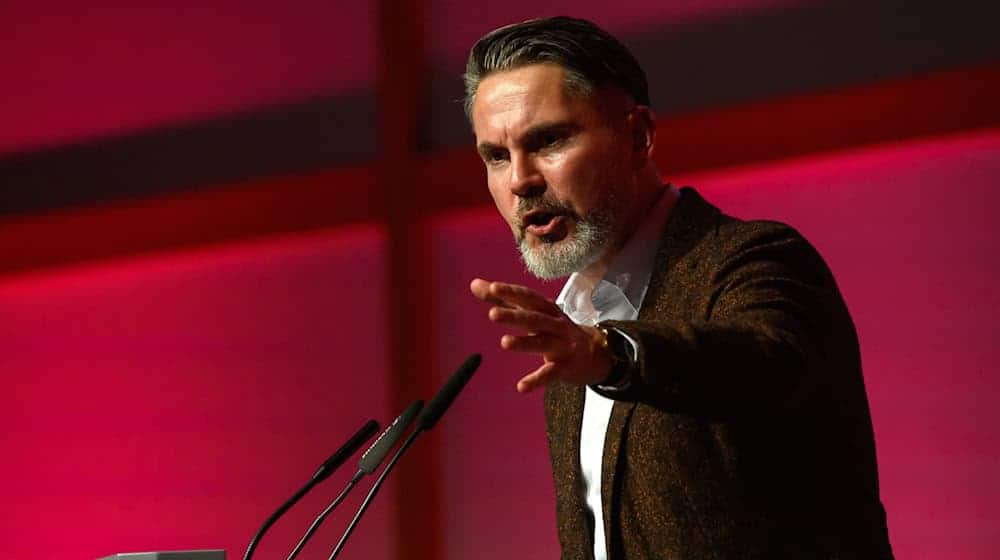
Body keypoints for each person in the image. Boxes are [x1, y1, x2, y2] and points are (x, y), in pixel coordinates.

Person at [464, 16, 893, 560]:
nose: (520, 180)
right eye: (496, 157)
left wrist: (613, 355)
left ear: (638, 135)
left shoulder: (752, 260)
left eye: (548, 140)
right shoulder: (570, 338)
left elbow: (764, 363)